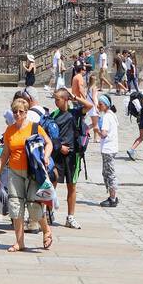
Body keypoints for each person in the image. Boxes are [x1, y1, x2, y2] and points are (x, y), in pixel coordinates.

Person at [0, 95, 53, 253]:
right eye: (15, 112)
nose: (17, 114)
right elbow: (5, 153)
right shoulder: (10, 130)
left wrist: (46, 157)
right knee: (15, 206)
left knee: (34, 205)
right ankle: (19, 242)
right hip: (14, 172)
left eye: (20, 112)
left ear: (26, 113)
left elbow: (49, 143)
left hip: (32, 172)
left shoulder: (35, 128)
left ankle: (46, 230)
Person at [50, 83, 92, 228]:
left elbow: (90, 106)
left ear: (65, 99)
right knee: (52, 183)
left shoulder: (75, 113)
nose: (56, 102)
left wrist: (75, 97)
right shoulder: (53, 115)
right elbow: (49, 135)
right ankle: (49, 211)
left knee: (71, 186)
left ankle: (70, 217)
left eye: (58, 99)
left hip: (73, 156)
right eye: (55, 99)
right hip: (57, 154)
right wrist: (59, 147)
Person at [96, 92, 120, 206]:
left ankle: (113, 198)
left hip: (108, 149)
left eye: (100, 104)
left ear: (105, 105)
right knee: (107, 172)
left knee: (109, 173)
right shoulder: (112, 115)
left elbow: (104, 134)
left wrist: (96, 130)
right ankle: (112, 196)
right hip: (112, 147)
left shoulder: (106, 117)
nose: (98, 106)